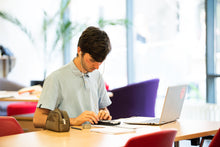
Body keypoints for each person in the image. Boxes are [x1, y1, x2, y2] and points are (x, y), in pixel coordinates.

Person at [33, 26, 112, 127]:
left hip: (94, 138)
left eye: (100, 62)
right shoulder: (56, 78)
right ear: (79, 51)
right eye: (92, 60)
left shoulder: (97, 76)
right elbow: (38, 119)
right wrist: (73, 121)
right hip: (67, 141)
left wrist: (104, 114)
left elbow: (103, 108)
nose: (96, 67)